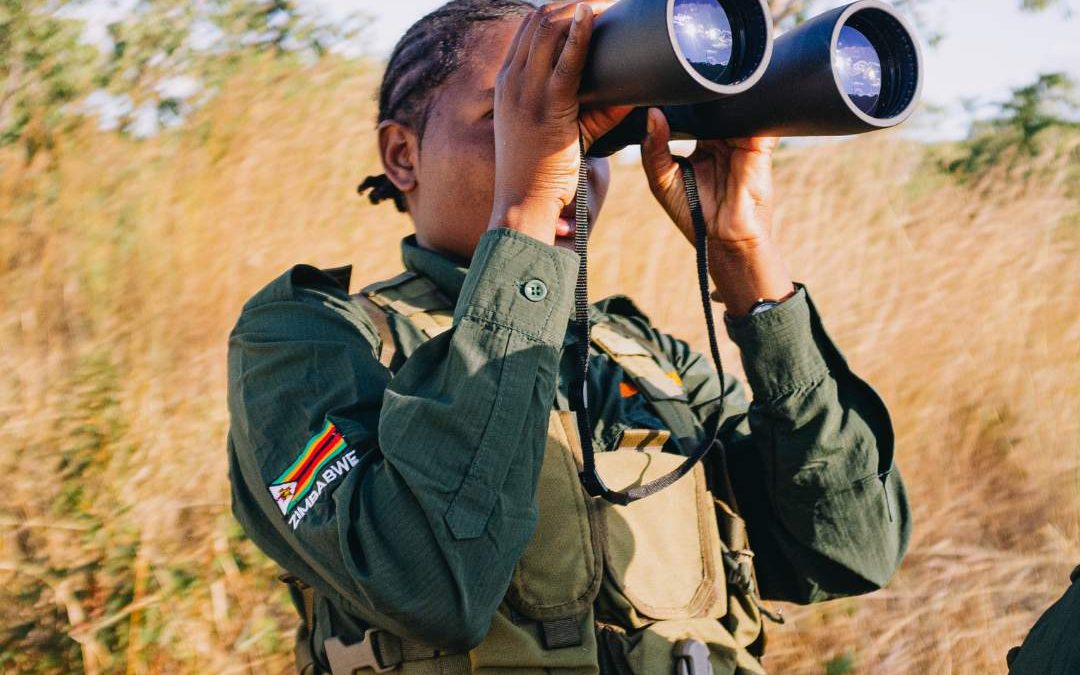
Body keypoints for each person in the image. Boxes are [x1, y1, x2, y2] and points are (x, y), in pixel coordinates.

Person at [226, 1, 912, 673]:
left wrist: (745, 260)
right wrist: (524, 208)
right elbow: (431, 583)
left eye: (592, 128)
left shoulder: (647, 361)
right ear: (403, 155)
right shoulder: (311, 340)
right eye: (515, 119)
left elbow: (851, 550)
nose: (570, 156)